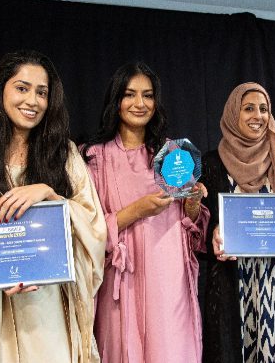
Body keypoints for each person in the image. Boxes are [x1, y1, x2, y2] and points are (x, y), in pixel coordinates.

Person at [0, 50, 107, 362]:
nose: (33, 101)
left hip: (46, 308)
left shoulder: (64, 155)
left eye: (42, 93)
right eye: (22, 88)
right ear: (1, 89)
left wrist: (50, 196)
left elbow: (94, 228)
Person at [82, 61, 210, 363]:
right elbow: (84, 231)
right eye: (130, 94)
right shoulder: (93, 157)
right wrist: (136, 211)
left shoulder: (172, 155)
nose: (140, 103)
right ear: (116, 101)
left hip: (168, 280)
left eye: (148, 95)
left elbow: (191, 228)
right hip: (119, 281)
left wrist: (192, 203)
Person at [200, 82, 275, 363]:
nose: (257, 116)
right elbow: (196, 224)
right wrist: (211, 230)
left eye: (264, 109)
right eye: (248, 108)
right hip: (228, 283)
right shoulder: (211, 165)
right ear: (232, 114)